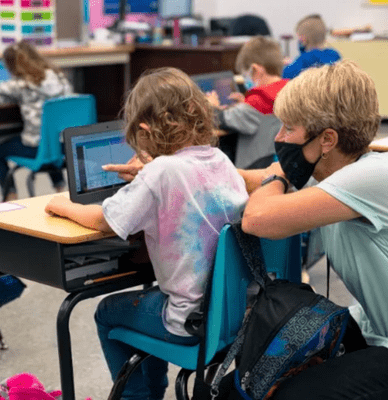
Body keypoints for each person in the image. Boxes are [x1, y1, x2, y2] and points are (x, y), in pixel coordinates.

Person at [45, 67, 249, 400]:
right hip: (231, 315)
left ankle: (138, 397)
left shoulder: (161, 171)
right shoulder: (222, 160)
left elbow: (104, 222)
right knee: (150, 295)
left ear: (143, 130)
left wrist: (60, 205)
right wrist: (144, 180)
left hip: (187, 320)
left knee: (106, 314)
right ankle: (155, 389)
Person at [239, 60, 388, 399]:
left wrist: (277, 172)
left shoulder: (373, 178)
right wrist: (167, 173)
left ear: (327, 139)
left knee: (291, 395)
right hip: (381, 328)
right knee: (258, 375)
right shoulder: (337, 174)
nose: (279, 138)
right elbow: (254, 180)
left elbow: (259, 218)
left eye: (288, 128)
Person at [0, 40, 73, 201]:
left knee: (2, 149)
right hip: (64, 147)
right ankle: (60, 187)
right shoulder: (60, 78)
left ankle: (11, 197)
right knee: (51, 138)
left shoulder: (22, 84)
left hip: (38, 148)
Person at [206, 36, 289, 169]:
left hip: (253, 172)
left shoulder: (258, 101)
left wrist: (211, 106)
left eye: (246, 75)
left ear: (255, 70)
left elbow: (219, 119)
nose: (246, 80)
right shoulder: (290, 91)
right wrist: (245, 103)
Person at [282, 14, 341, 79]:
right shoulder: (335, 55)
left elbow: (285, 75)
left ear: (303, 39)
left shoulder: (303, 60)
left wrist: (285, 65)